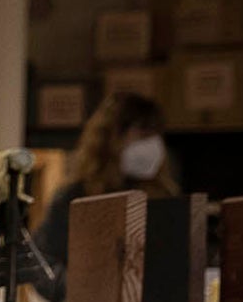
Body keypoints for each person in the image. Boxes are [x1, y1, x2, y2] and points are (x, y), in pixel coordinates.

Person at [36, 90, 173, 273]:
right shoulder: (75, 198)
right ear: (112, 137)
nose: (153, 145)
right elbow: (45, 263)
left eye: (156, 135)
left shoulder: (163, 197)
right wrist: (75, 290)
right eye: (143, 134)